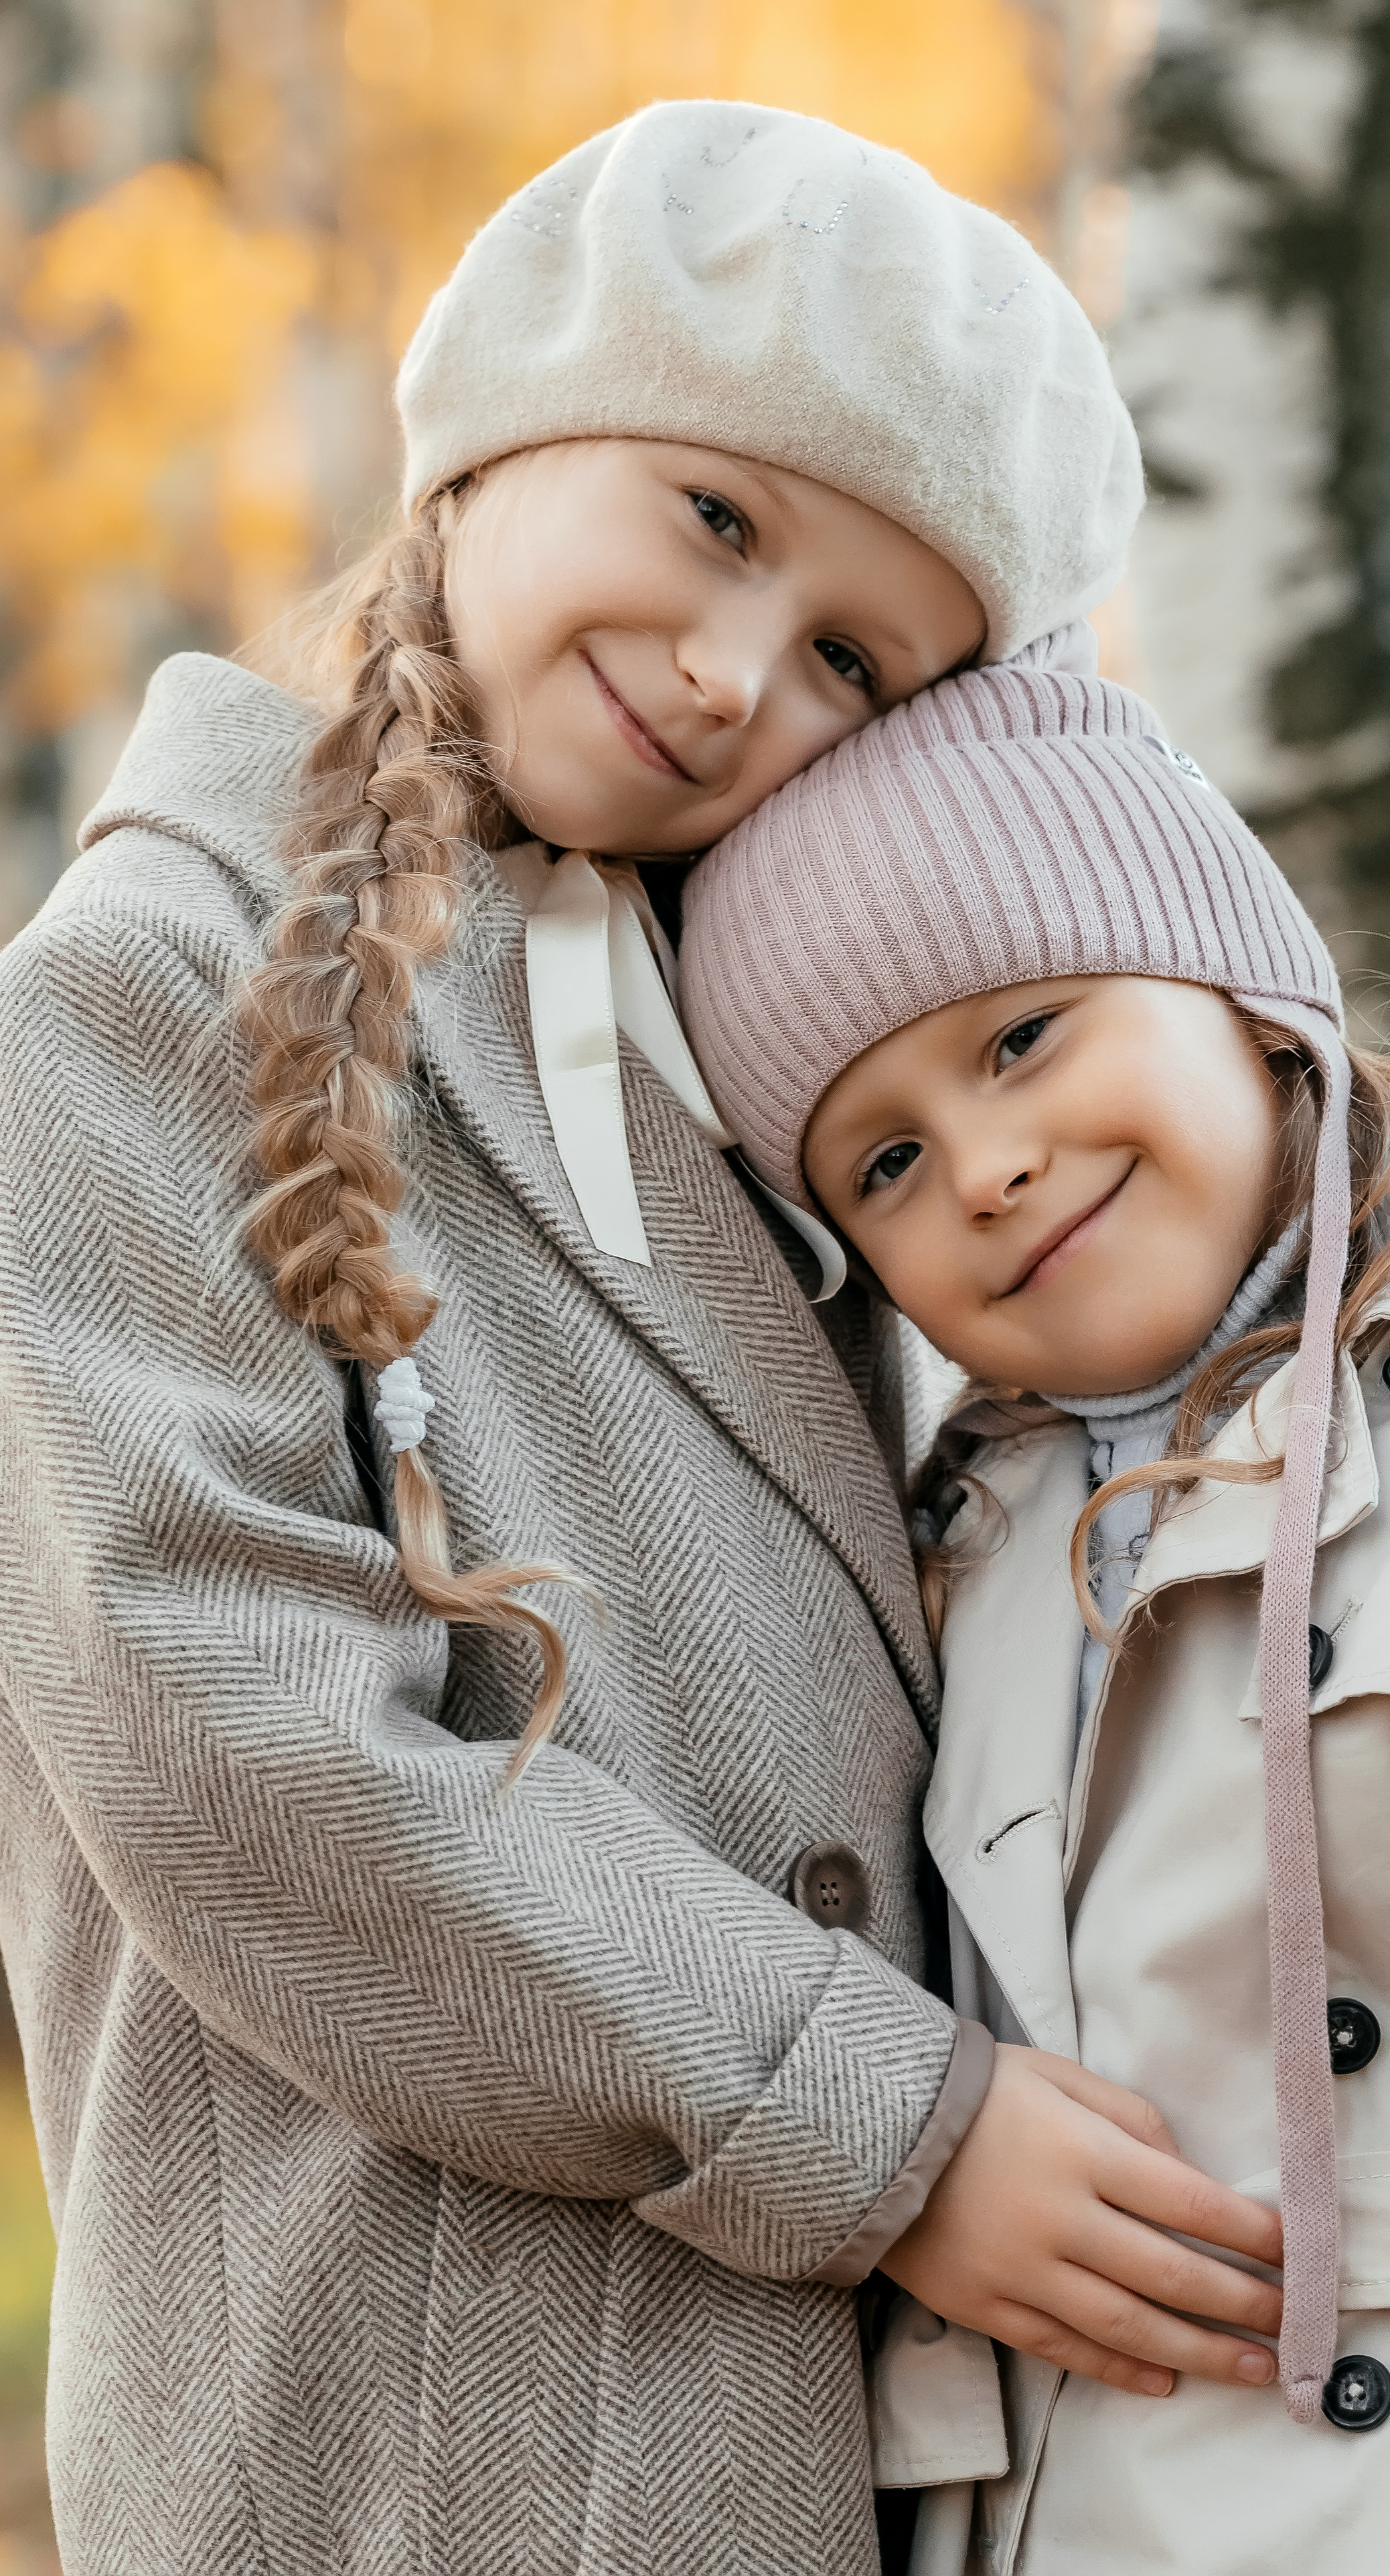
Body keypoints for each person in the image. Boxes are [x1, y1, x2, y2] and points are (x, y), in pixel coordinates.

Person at [0, 100, 1269, 2576]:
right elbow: (236, 1733)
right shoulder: (126, 1004)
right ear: (494, 435)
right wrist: (881, 2122)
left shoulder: (785, 1099)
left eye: (851, 661)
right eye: (717, 518)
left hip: (808, 2449)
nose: (729, 674)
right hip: (397, 2454)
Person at [680, 642, 1390, 2575]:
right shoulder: (942, 1559)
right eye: (884, 1161)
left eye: (1024, 1035)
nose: (985, 1167)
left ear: (1235, 983)